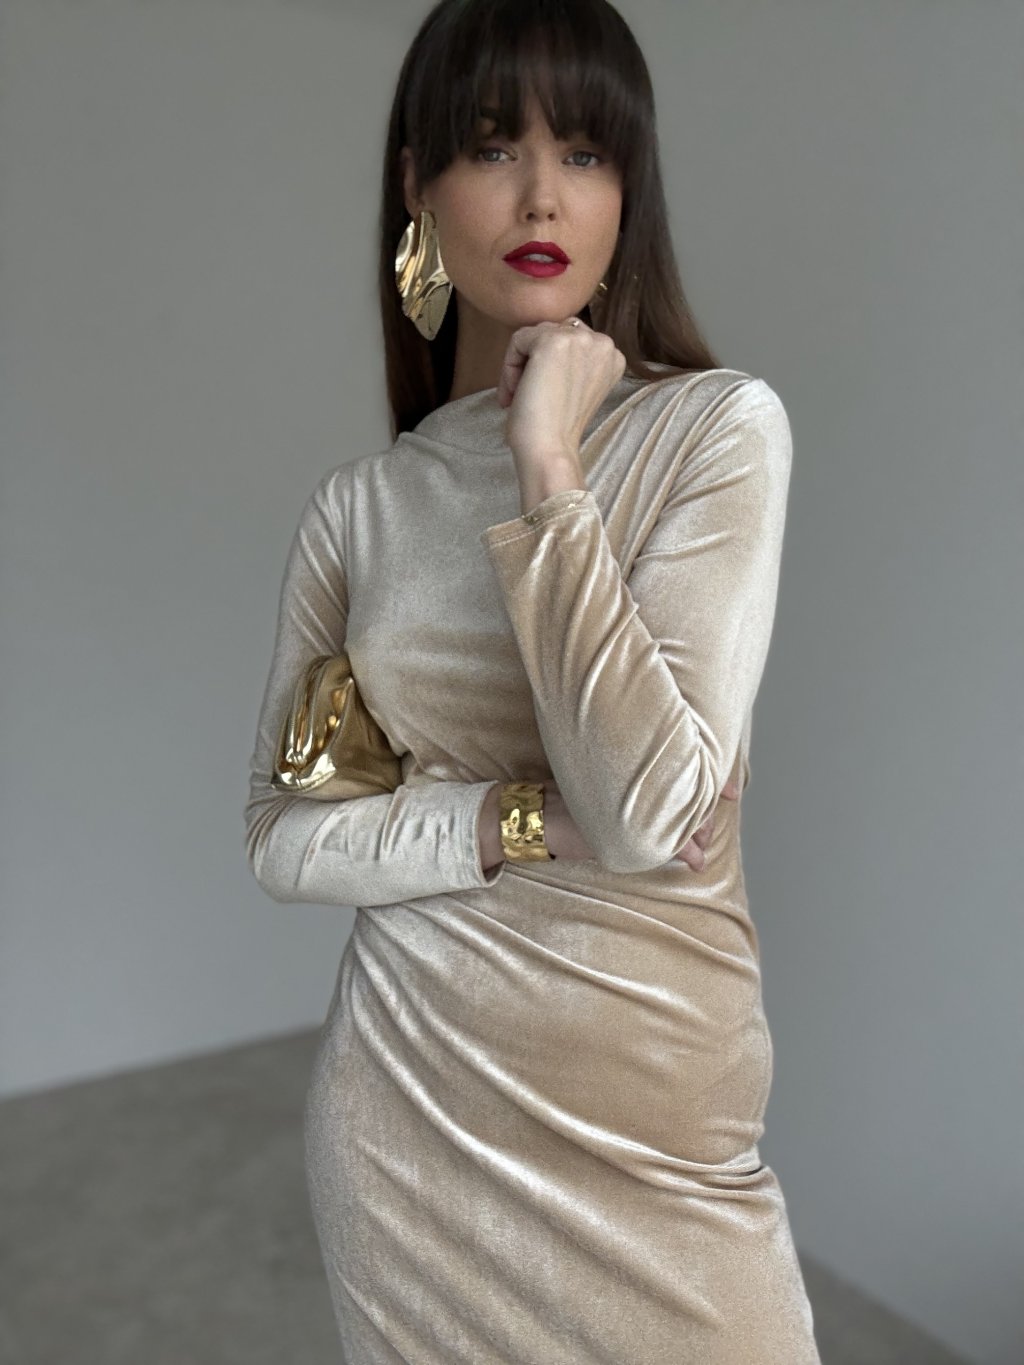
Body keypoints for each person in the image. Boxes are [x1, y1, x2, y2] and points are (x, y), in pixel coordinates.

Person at [244, 0, 821, 1360]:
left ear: (631, 189)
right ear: (419, 184)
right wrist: (515, 819)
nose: (544, 195)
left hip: (663, 1150)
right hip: (411, 1131)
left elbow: (640, 807)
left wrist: (548, 461)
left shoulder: (715, 431)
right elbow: (287, 836)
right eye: (495, 147)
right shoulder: (363, 513)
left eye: (587, 151)